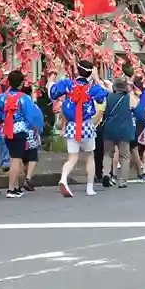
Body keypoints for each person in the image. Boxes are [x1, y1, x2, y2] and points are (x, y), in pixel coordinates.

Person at [50, 59, 109, 197]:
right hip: (87, 126)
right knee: (89, 157)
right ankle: (90, 188)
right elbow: (104, 95)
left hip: (71, 126)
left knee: (72, 158)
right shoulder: (92, 88)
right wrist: (96, 79)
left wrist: (54, 73)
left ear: (77, 70)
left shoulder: (68, 84)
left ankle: (63, 178)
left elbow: (52, 92)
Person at [0, 70, 44, 198]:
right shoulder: (24, 98)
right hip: (19, 129)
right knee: (16, 159)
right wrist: (34, 128)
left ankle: (16, 187)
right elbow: (31, 116)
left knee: (14, 157)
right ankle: (11, 189)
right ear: (21, 83)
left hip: (6, 129)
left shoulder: (2, 97)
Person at [101, 77, 135, 187]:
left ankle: (106, 174)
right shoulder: (129, 98)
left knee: (108, 153)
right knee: (124, 156)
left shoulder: (108, 97)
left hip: (109, 128)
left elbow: (103, 111)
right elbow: (137, 109)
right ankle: (122, 181)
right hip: (124, 130)